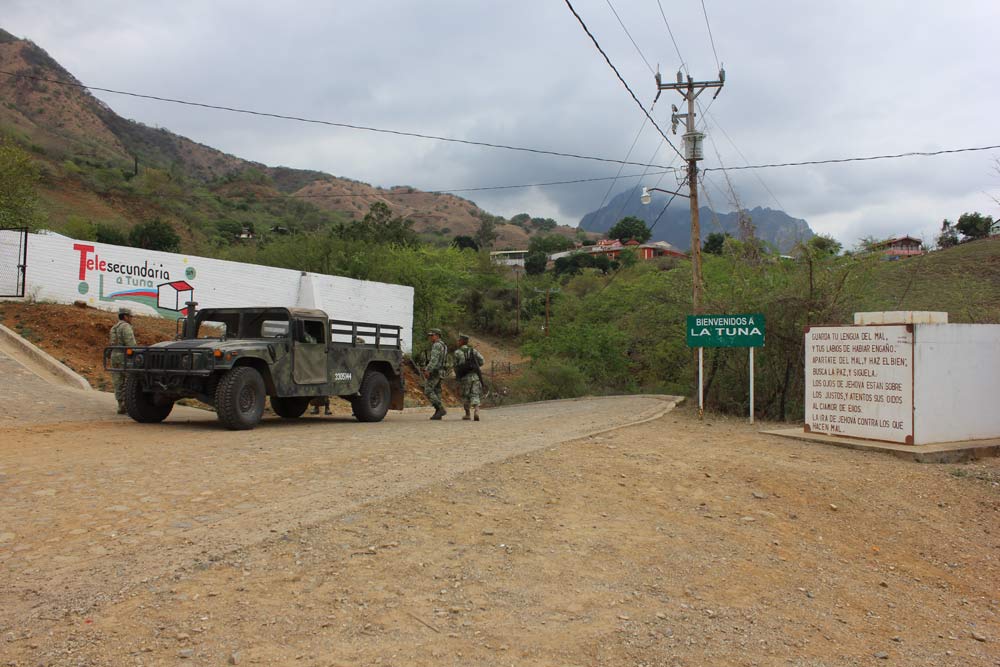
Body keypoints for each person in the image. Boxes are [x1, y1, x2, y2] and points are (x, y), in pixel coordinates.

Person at [109, 306, 137, 414]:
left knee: (117, 381)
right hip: (124, 357)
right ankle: (128, 405)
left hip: (114, 355)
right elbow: (131, 344)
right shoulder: (126, 327)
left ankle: (120, 405)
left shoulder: (114, 328)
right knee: (129, 380)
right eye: (130, 316)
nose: (131, 318)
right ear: (125, 316)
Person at [453, 333, 485, 422]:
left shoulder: (457, 352)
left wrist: (458, 376)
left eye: (459, 340)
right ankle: (477, 410)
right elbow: (482, 361)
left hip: (464, 377)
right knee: (475, 394)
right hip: (475, 376)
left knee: (465, 395)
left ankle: (467, 414)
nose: (457, 342)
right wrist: (475, 366)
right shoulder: (473, 351)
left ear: (462, 341)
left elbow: (455, 366)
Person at [423, 328, 448, 420]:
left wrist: (428, 370)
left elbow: (434, 359)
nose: (430, 337)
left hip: (435, 371)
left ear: (437, 335)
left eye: (432, 335)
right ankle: (438, 413)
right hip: (441, 371)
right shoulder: (443, 345)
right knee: (437, 391)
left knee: (428, 390)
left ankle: (440, 409)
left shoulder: (437, 345)